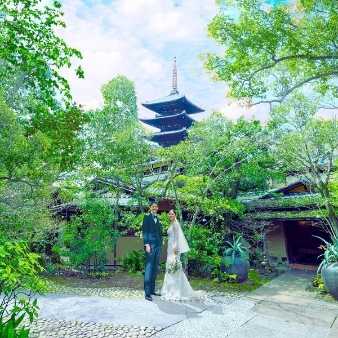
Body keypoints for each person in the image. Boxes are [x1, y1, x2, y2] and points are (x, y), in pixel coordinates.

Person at [161, 209, 206, 301]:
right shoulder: (171, 224)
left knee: (175, 267)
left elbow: (177, 237)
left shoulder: (176, 225)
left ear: (175, 215)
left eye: (172, 214)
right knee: (171, 267)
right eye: (169, 214)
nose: (170, 215)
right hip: (170, 249)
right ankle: (169, 289)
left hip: (174, 249)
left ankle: (176, 291)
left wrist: (175, 247)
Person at [142, 201, 163, 301]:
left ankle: (152, 290)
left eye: (156, 206)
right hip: (150, 246)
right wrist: (147, 245)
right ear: (150, 208)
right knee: (149, 268)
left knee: (155, 268)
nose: (154, 208)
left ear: (157, 208)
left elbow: (160, 233)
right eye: (153, 206)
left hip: (158, 246)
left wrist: (160, 244)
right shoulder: (146, 218)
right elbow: (145, 232)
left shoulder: (159, 219)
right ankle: (147, 292)